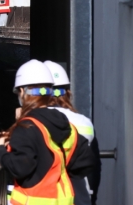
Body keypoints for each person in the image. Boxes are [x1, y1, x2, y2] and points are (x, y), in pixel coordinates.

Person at [0, 60, 95, 205]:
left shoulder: (26, 127)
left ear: (22, 92)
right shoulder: (66, 125)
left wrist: (0, 150)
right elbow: (85, 163)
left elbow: (19, 168)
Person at [43, 60, 101, 205]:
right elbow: (94, 168)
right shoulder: (84, 123)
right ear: (68, 93)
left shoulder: (33, 122)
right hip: (79, 197)